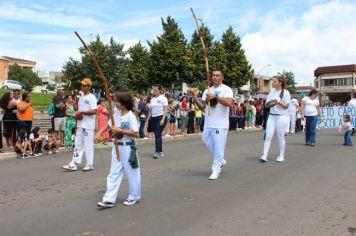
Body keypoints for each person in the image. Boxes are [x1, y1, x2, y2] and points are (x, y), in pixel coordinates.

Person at [96, 91, 141, 208]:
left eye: (117, 101)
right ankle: (108, 199)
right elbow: (109, 125)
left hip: (128, 148)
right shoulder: (116, 113)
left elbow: (136, 134)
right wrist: (100, 132)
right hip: (116, 147)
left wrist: (120, 131)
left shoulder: (130, 116)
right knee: (113, 173)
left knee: (132, 173)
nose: (115, 103)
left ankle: (134, 196)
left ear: (124, 103)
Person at [191, 70, 233, 180]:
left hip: (220, 124)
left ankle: (216, 170)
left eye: (217, 75)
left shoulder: (226, 89)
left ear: (222, 77)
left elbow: (229, 103)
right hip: (208, 123)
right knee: (205, 140)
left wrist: (215, 97)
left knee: (219, 148)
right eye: (213, 75)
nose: (215, 77)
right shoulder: (207, 90)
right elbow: (203, 107)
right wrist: (195, 97)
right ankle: (221, 160)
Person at [62, 78, 98, 171]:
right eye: (81, 85)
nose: (82, 86)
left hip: (88, 125)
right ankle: (74, 163)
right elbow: (78, 110)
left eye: (84, 85)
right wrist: (76, 108)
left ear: (89, 87)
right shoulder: (81, 97)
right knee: (77, 144)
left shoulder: (92, 97)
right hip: (80, 124)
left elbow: (94, 111)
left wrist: (82, 112)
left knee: (88, 145)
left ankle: (89, 164)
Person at [260, 76, 290, 163]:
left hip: (282, 116)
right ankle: (264, 155)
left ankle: (281, 156)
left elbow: (286, 106)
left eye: (274, 81)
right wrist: (271, 103)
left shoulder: (286, 93)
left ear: (280, 83)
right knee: (268, 136)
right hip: (272, 116)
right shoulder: (271, 92)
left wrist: (279, 102)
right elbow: (266, 105)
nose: (272, 83)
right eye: (272, 81)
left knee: (280, 136)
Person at [147, 85, 168, 159]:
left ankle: (157, 152)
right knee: (157, 135)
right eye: (153, 90)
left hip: (161, 117)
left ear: (159, 90)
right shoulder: (152, 99)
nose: (154, 91)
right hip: (154, 118)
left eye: (155, 90)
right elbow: (150, 111)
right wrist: (147, 120)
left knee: (158, 134)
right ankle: (161, 151)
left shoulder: (163, 98)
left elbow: (165, 110)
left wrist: (163, 119)